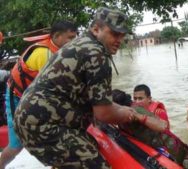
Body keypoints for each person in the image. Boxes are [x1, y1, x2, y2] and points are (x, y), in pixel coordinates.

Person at [13, 7, 136, 169]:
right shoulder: (96, 54)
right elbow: (104, 113)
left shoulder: (81, 43)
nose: (119, 39)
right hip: (43, 126)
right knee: (96, 164)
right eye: (114, 33)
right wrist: (131, 115)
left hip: (30, 121)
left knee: (89, 145)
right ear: (96, 29)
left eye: (122, 35)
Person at [0, 21, 77, 169]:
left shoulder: (57, 48)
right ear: (56, 36)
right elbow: (52, 89)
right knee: (16, 145)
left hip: (33, 94)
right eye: (70, 38)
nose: (74, 42)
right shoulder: (45, 54)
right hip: (17, 96)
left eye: (75, 37)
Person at [113, 89, 188, 165]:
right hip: (150, 146)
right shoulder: (116, 116)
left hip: (166, 148)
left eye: (140, 98)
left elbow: (162, 126)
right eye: (135, 98)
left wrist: (138, 116)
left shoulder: (135, 111)